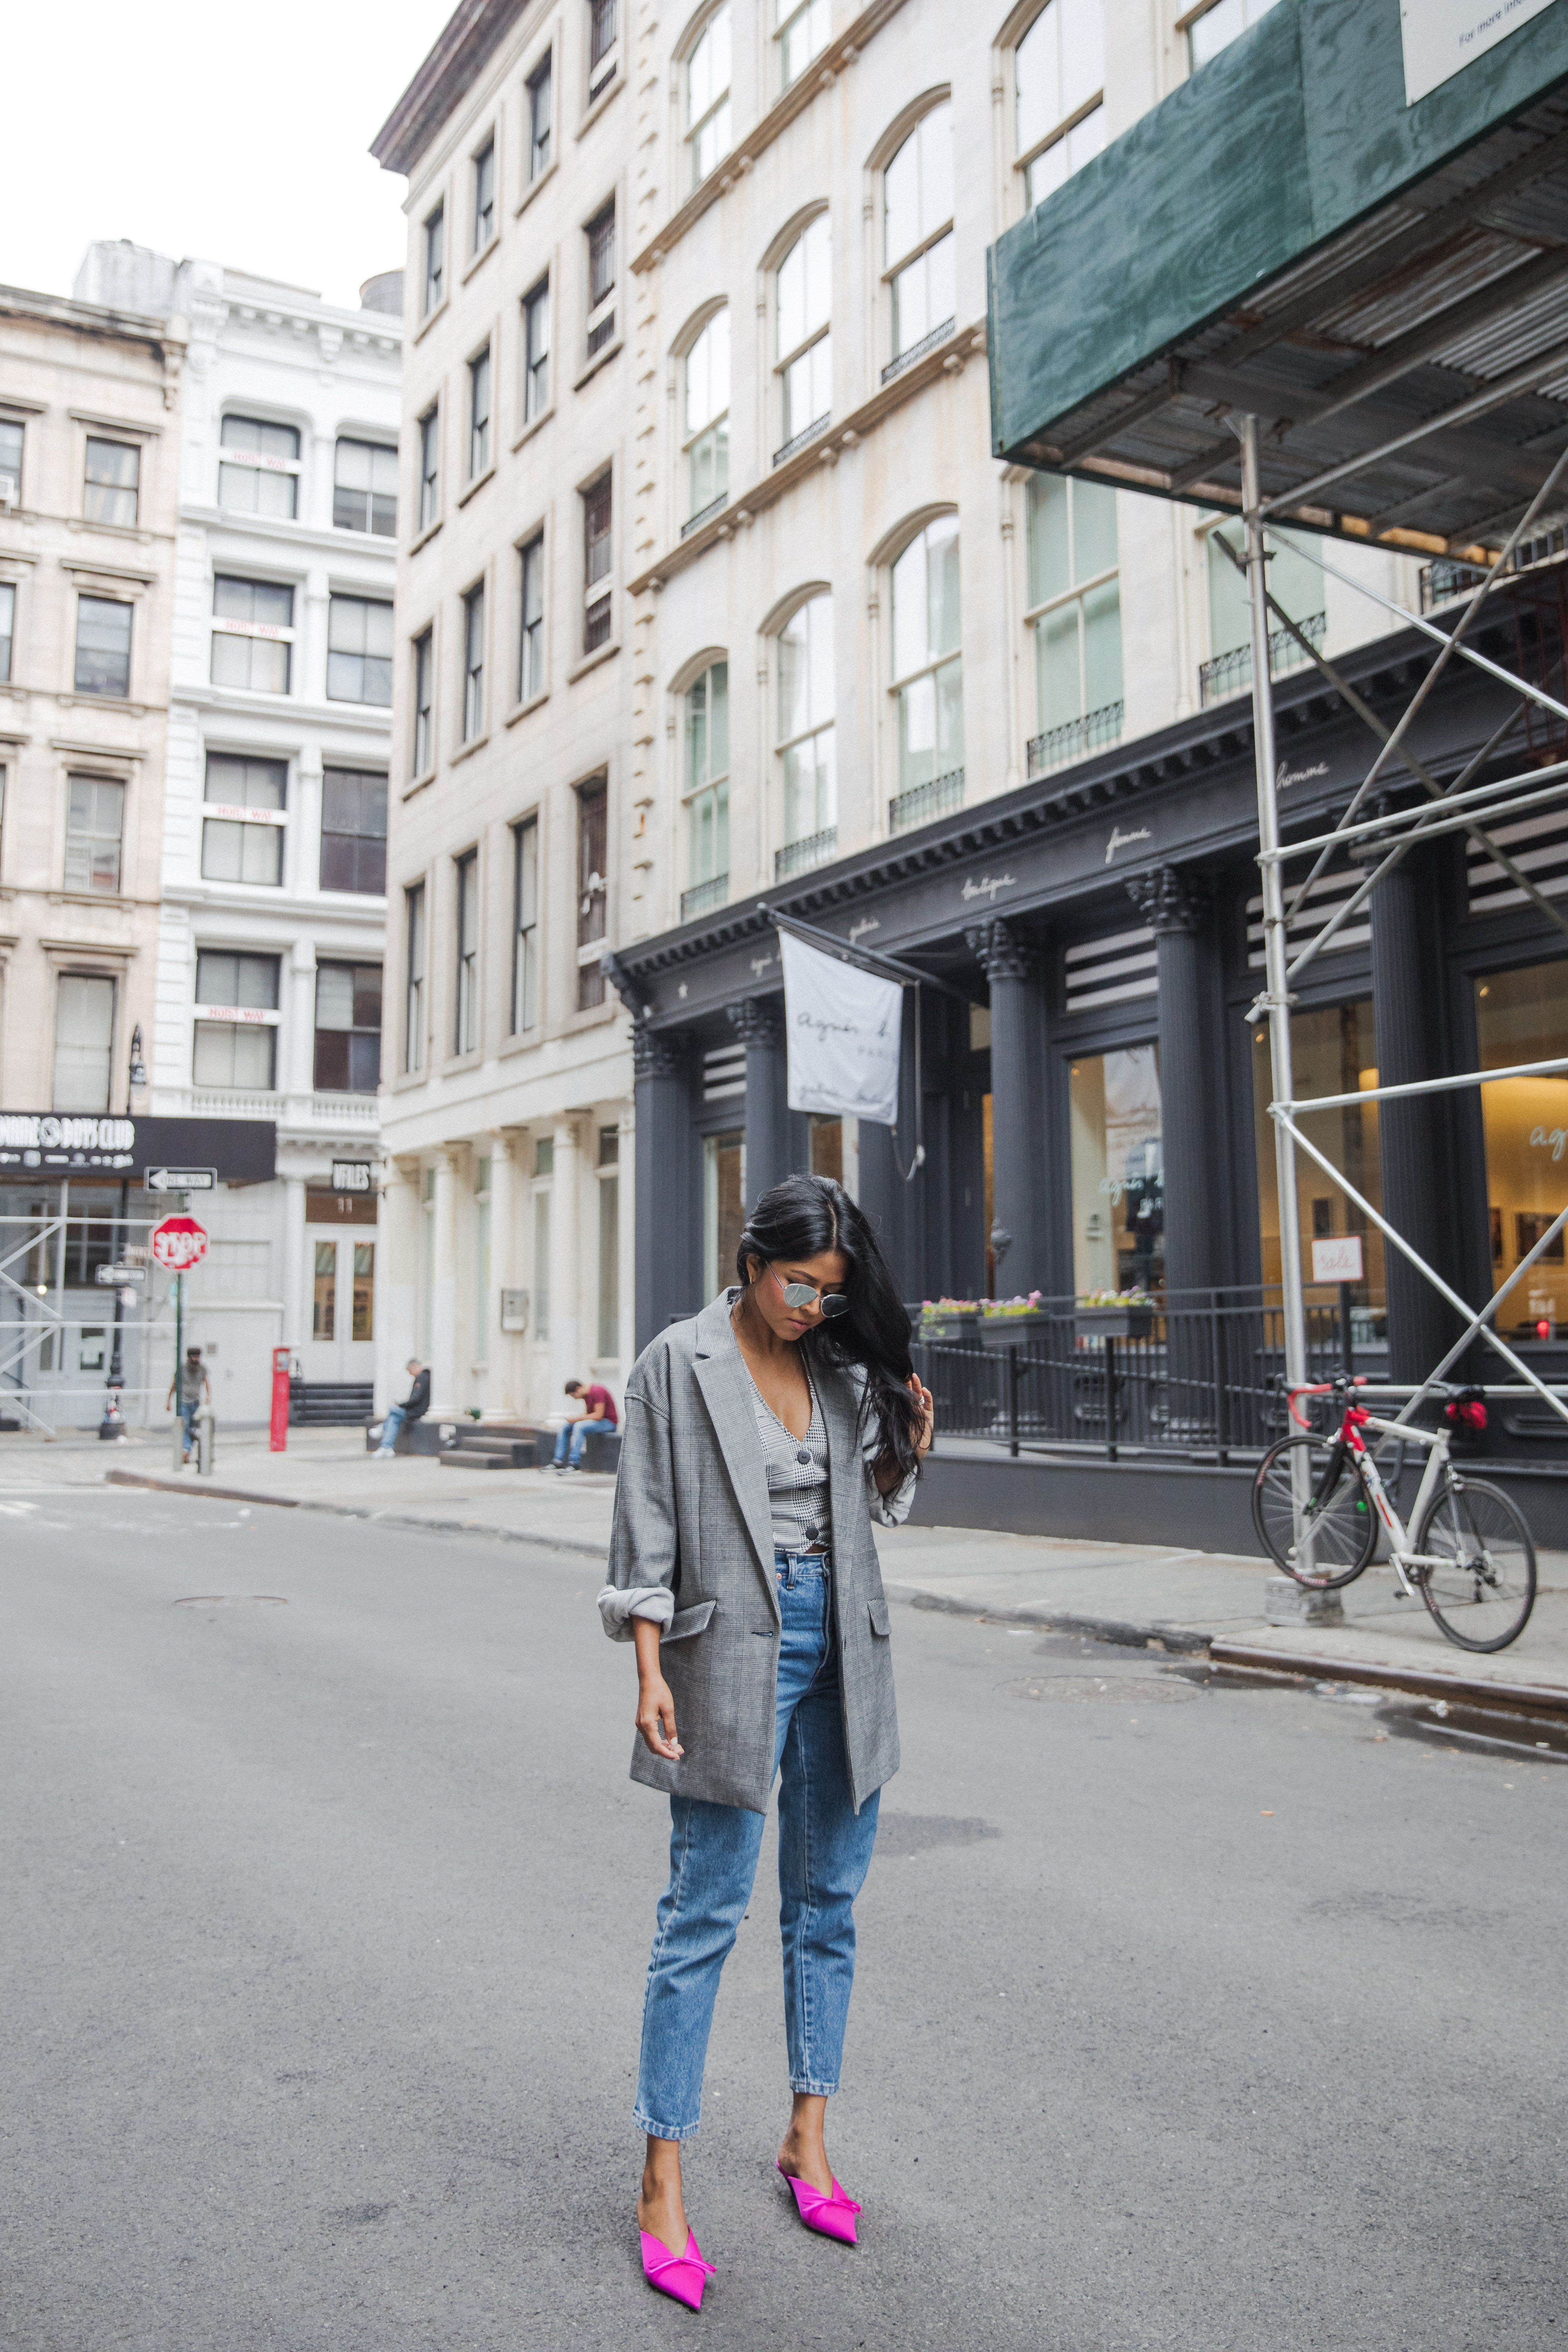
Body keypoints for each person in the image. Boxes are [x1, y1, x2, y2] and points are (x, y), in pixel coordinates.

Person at [598, 1172, 934, 2310]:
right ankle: (661, 2175)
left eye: (834, 1294)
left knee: (827, 1904)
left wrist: (905, 1449)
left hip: (847, 1647)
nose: (814, 1308)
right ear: (751, 1262)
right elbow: (644, 1530)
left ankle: (808, 2134)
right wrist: (648, 1668)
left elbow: (868, 1508)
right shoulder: (674, 1366)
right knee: (703, 1916)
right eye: (802, 1285)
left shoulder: (838, 1366)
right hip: (730, 1654)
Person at [552, 1377, 618, 1471]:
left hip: (609, 1423)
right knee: (566, 1426)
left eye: (574, 1396)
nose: (575, 1399)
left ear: (578, 1389)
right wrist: (575, 1419)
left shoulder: (597, 1391)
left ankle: (574, 1463)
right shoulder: (586, 1396)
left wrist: (577, 1419)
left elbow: (599, 1416)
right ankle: (558, 1461)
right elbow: (589, 1416)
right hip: (598, 1423)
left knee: (579, 1426)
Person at [373, 1359, 429, 1458]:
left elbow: (416, 1399)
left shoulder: (422, 1378)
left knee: (393, 1410)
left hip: (417, 1411)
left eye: (410, 1371)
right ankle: (386, 1447)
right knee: (393, 1419)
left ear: (415, 1367)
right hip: (416, 1410)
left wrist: (401, 1405)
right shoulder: (424, 1377)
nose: (410, 1374)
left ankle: (383, 1428)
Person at [166, 1347, 210, 1461]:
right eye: (194, 1357)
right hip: (184, 1403)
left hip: (196, 1403)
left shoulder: (202, 1369)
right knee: (185, 1427)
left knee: (194, 1430)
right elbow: (174, 1385)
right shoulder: (182, 1369)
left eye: (198, 1357)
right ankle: (186, 1450)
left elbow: (206, 1382)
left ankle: (187, 1451)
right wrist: (169, 1401)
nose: (196, 1360)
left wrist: (208, 1396)